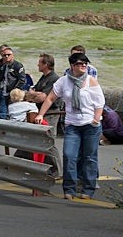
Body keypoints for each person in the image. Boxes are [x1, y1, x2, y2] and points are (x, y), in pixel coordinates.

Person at [36, 53, 104, 200]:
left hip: (90, 125)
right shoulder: (63, 81)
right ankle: (69, 189)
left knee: (89, 158)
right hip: (72, 124)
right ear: (72, 66)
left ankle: (88, 189)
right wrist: (41, 114)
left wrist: (95, 119)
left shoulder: (91, 81)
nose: (84, 66)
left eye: (86, 63)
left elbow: (100, 103)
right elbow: (50, 98)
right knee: (69, 156)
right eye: (80, 63)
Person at [24, 53, 62, 133]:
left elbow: (42, 98)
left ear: (46, 65)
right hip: (40, 110)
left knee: (48, 135)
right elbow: (30, 92)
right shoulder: (44, 77)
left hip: (51, 112)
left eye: (40, 63)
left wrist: (33, 95)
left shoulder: (53, 78)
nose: (38, 65)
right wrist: (36, 94)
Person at [0, 46, 25, 119]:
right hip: (2, 91)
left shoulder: (18, 66)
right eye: (4, 55)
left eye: (8, 54)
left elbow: (22, 80)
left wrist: (15, 90)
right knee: (2, 111)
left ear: (13, 55)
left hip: (12, 93)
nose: (6, 56)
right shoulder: (1, 65)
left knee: (7, 111)